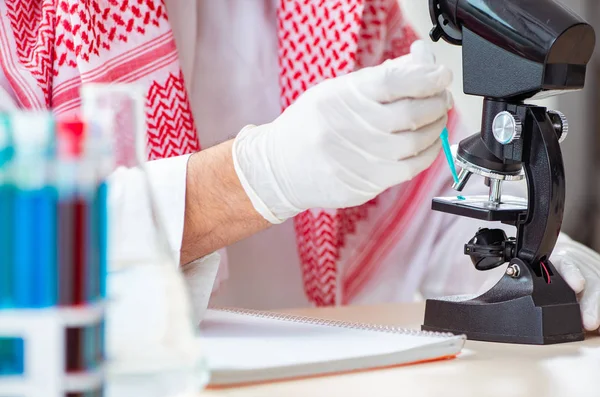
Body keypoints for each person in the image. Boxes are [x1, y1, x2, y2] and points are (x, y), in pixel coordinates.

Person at [0, 1, 599, 333]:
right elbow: (20, 242)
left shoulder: (342, 14)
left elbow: (437, 221)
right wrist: (258, 177)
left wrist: (547, 258)